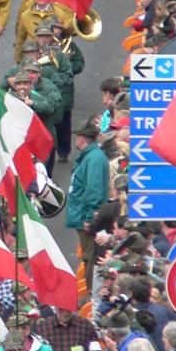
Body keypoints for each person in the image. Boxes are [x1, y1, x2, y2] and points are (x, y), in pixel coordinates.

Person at [66, 122, 111, 292]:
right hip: (82, 214)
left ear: (82, 140)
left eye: (78, 137)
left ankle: (92, 293)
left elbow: (94, 189)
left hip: (86, 217)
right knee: (88, 257)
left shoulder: (93, 159)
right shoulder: (91, 157)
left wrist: (89, 218)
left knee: (90, 257)